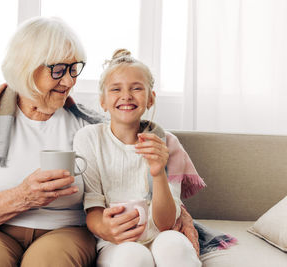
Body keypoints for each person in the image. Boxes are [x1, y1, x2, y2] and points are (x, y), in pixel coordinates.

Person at [0, 16, 99, 267]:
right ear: (26, 68)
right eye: (58, 70)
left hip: (65, 231)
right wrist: (23, 196)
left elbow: (137, 146)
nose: (69, 81)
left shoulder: (89, 125)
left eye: (74, 69)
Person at [73, 49, 203, 267]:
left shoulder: (167, 143)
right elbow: (94, 209)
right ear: (103, 101)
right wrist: (107, 229)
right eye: (116, 89)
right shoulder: (89, 139)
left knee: (174, 247)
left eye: (137, 88)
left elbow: (166, 223)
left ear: (150, 99)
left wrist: (158, 172)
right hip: (116, 243)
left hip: (162, 234)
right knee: (132, 257)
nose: (126, 96)